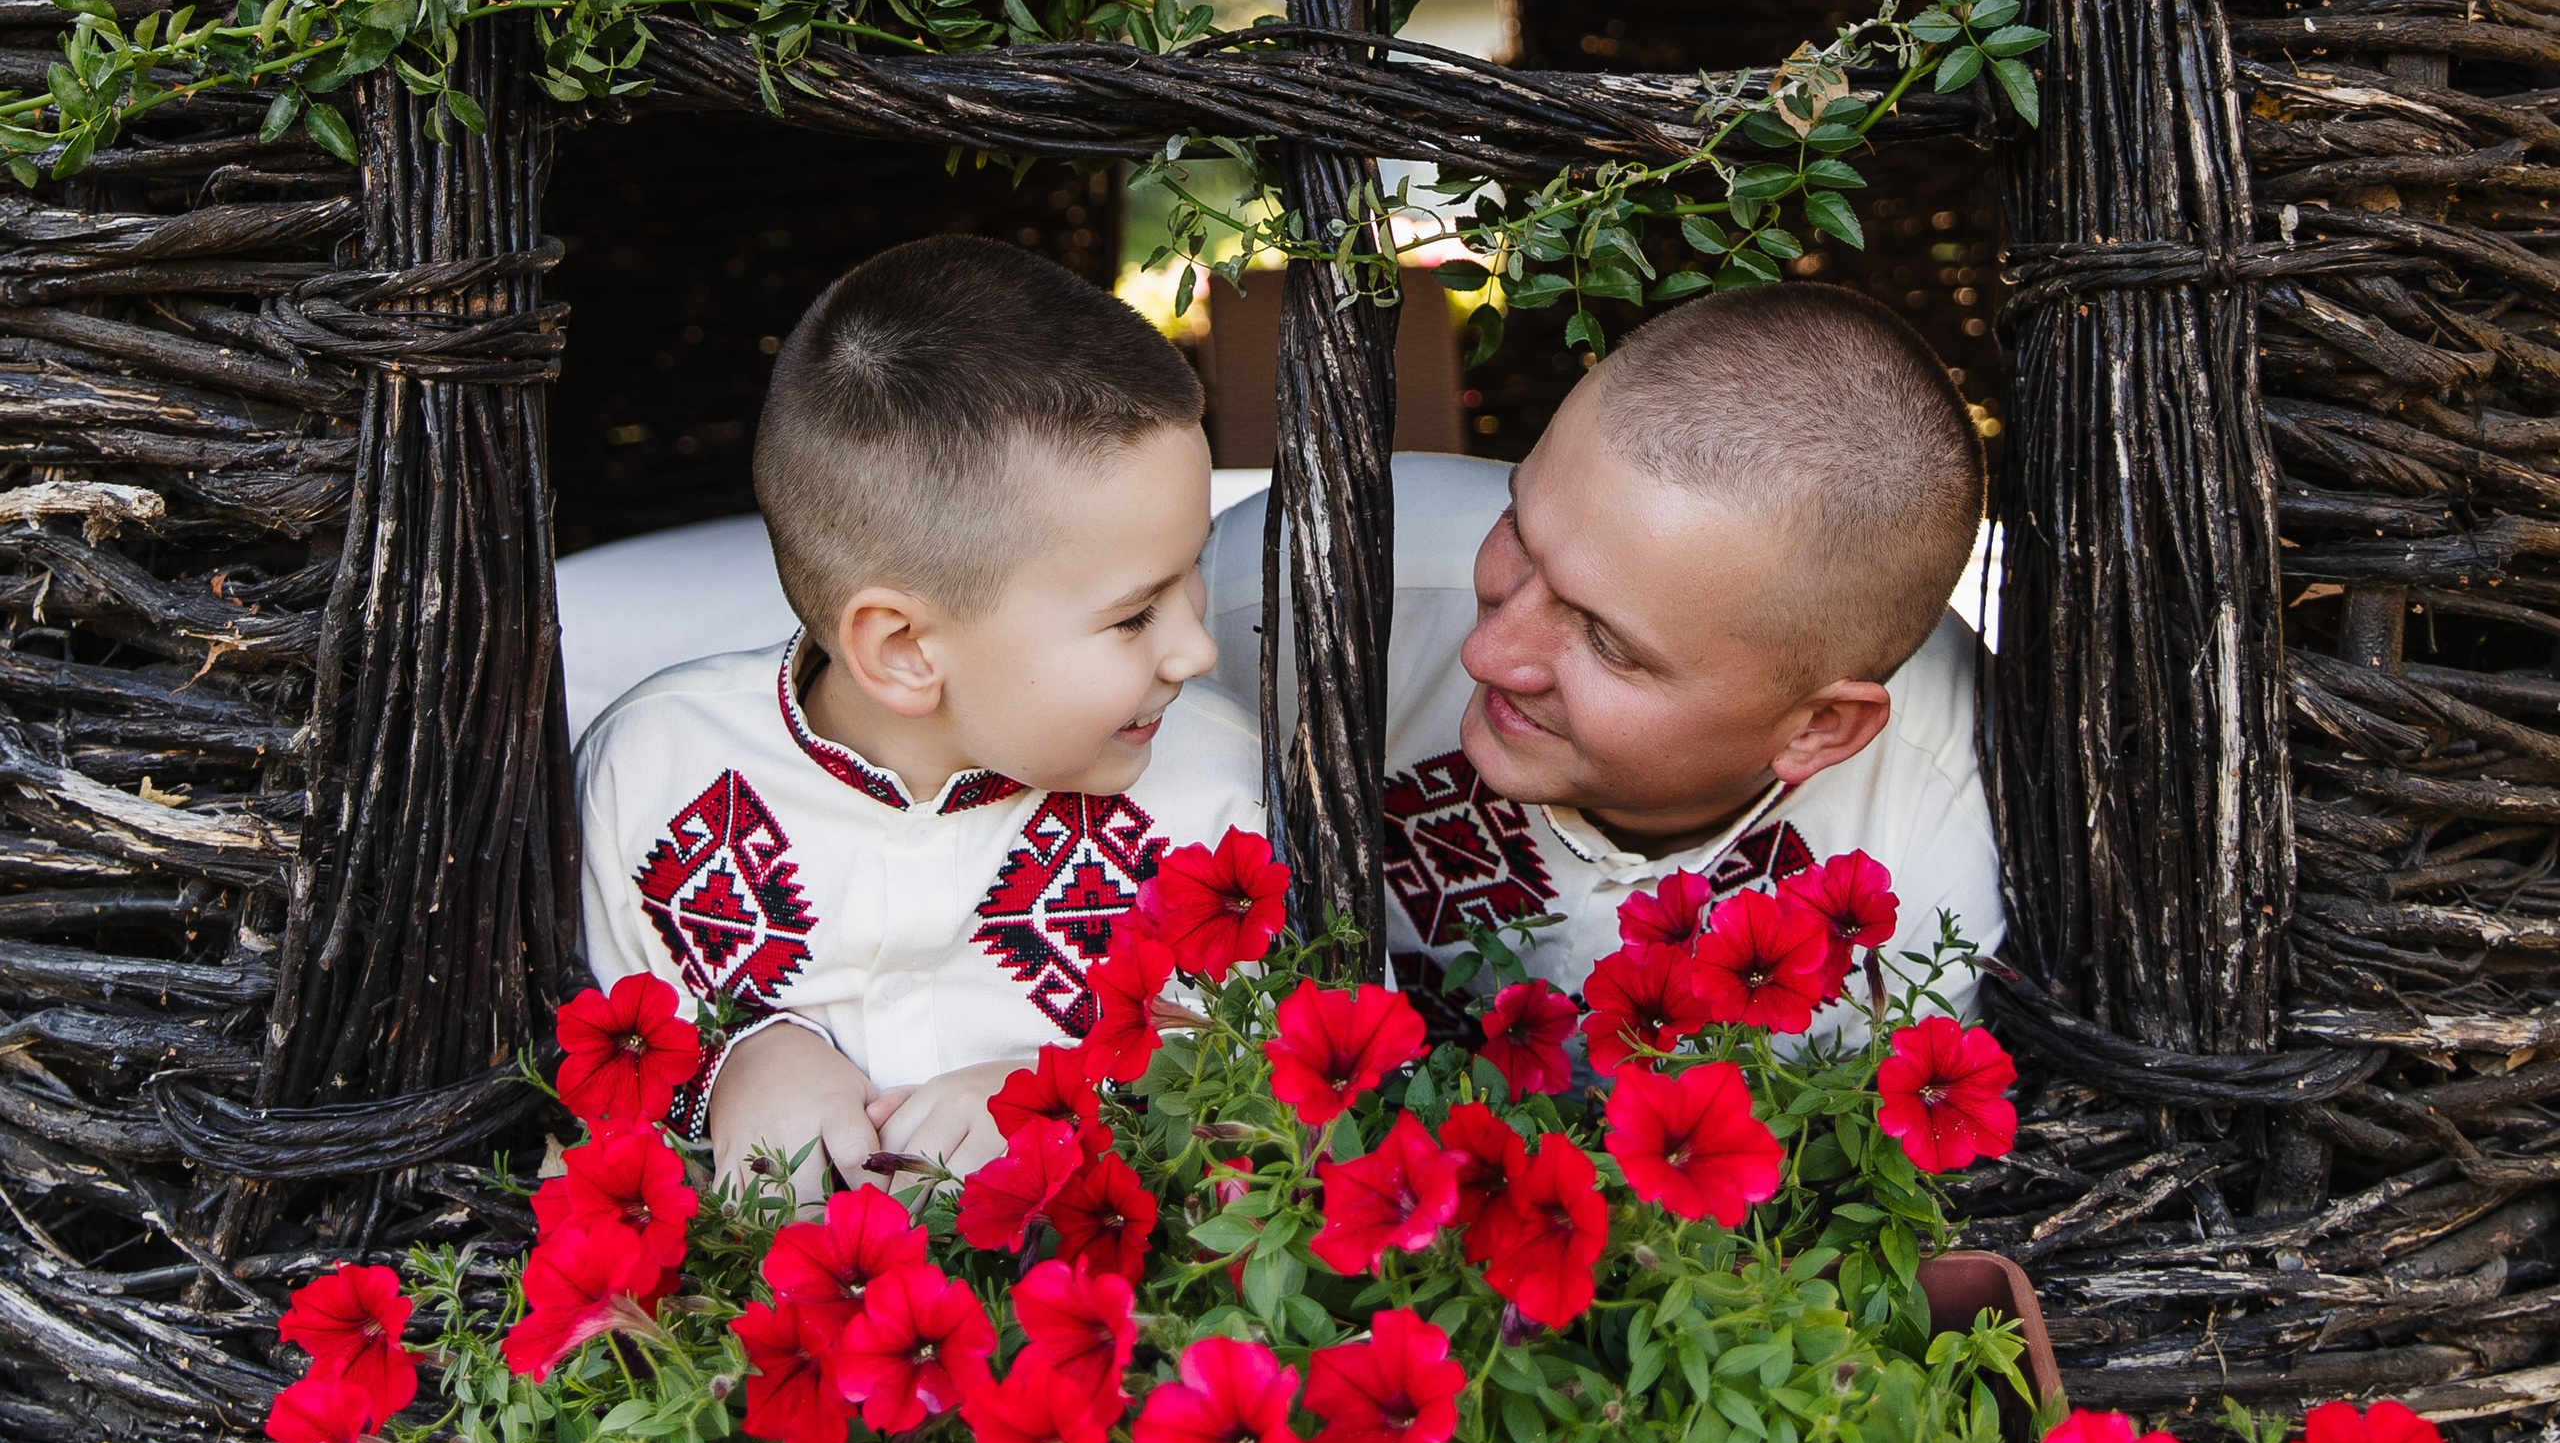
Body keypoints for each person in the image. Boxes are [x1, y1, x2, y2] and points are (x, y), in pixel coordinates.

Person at [576, 237, 1259, 1201]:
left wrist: (1077, 1100)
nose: (1197, 649)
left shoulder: (1222, 789)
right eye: (1135, 615)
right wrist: (740, 1067)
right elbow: (574, 1050)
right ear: (902, 649)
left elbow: (1293, 1082)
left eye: (1194, 570)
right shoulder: (651, 772)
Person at [1197, 284, 2001, 1003]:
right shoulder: (1297, 591)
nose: (1484, 654)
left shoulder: (1947, 853)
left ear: (1819, 727)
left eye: (1609, 643)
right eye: (1519, 528)